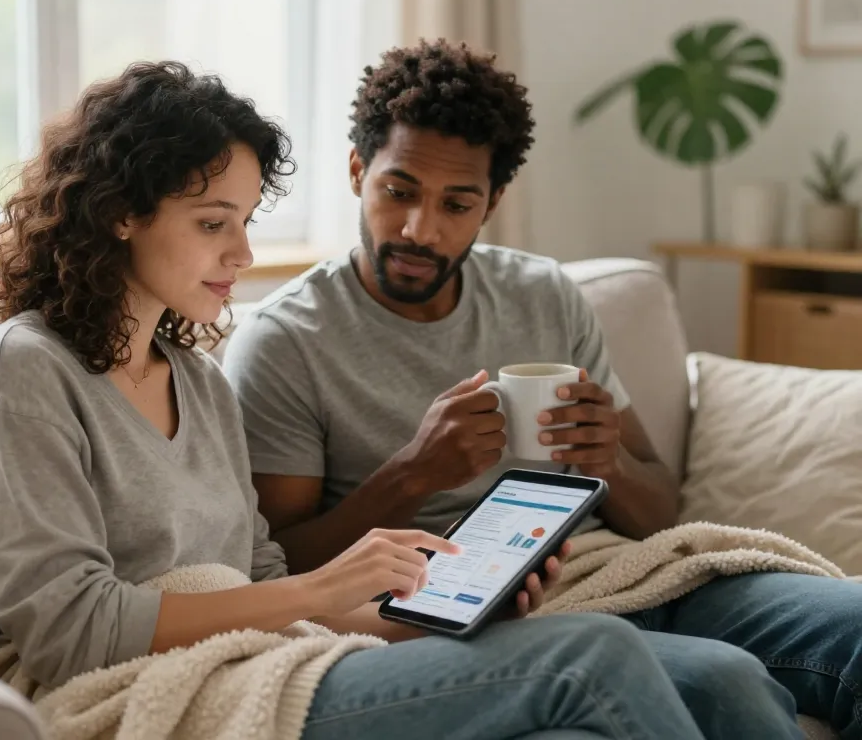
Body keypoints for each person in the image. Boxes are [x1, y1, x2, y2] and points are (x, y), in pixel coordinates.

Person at [0, 60, 707, 740]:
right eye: (212, 223)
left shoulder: (196, 380)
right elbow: (72, 635)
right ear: (119, 212)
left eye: (243, 222)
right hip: (109, 692)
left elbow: (267, 592)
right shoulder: (25, 372)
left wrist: (459, 614)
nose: (241, 254)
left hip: (253, 661)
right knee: (590, 656)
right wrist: (320, 586)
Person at [222, 39, 862, 740]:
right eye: (398, 191)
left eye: (457, 203)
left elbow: (660, 513)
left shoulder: (544, 296)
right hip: (476, 618)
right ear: (357, 172)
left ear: (493, 202)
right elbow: (282, 568)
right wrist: (412, 474)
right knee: (723, 681)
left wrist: (607, 460)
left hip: (616, 572)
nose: (420, 229)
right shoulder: (288, 341)